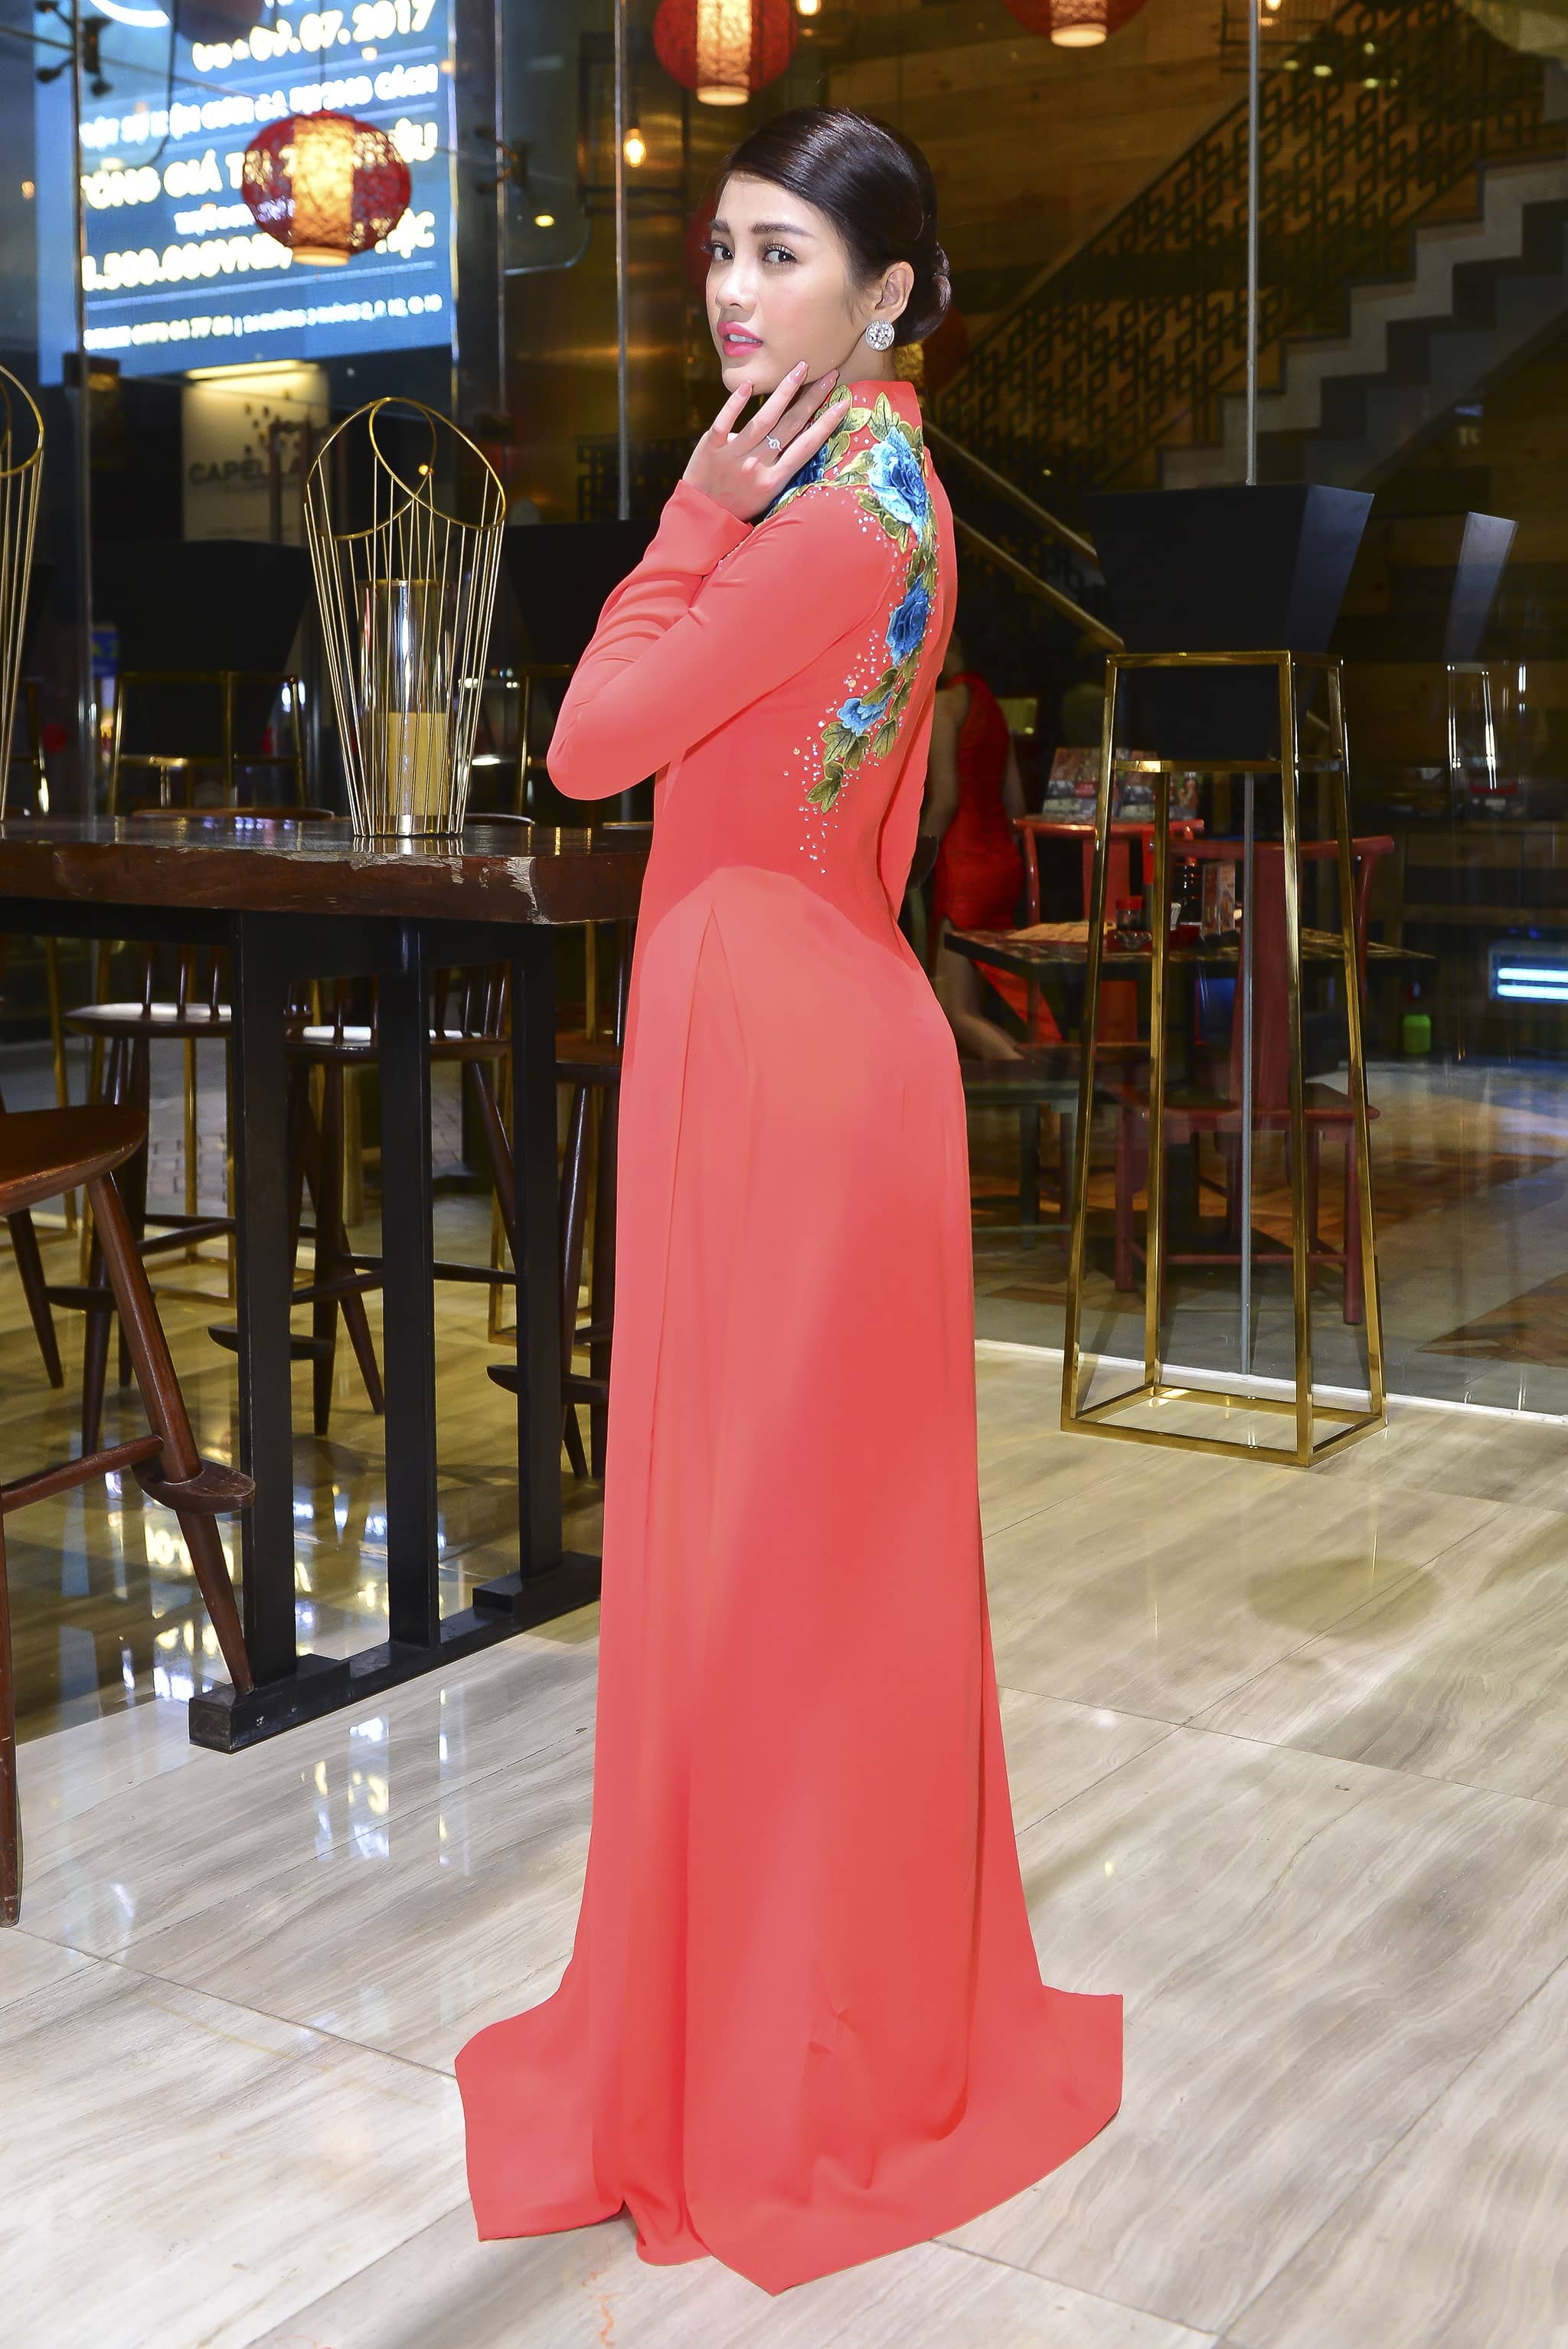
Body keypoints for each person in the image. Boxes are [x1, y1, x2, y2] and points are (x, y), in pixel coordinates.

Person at [455, 105, 1122, 2297]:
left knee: (760, 1579)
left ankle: (779, 2067)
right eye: (724, 252)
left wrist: (681, 516)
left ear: (889, 292)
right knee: (813, 1580)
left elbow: (588, 745)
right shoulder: (898, 485)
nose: (736, 295)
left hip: (771, 1043)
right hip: (824, 1024)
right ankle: (821, 2017)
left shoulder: (823, 508)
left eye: (783, 258)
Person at [918, 631, 1030, 1060]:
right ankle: (1034, 1073)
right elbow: (1016, 804)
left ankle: (1034, 1081)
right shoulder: (994, 709)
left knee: (955, 1008)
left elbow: (946, 799)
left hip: (963, 866)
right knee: (980, 1002)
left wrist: (916, 859)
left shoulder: (945, 707)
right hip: (1001, 862)